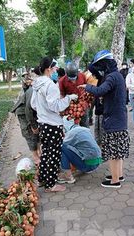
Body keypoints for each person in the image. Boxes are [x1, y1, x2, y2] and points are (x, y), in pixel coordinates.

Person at [78, 50, 129, 189]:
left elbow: (100, 90)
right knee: (118, 151)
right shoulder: (117, 75)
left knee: (113, 152)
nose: (99, 72)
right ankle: (118, 175)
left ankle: (114, 181)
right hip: (119, 118)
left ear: (105, 65)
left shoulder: (112, 77)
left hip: (113, 119)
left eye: (100, 67)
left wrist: (86, 87)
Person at [31, 57, 78, 192]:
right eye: (55, 67)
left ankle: (42, 179)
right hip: (52, 125)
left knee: (45, 153)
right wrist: (69, 98)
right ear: (48, 69)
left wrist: (43, 110)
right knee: (54, 155)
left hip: (43, 124)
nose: (57, 70)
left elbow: (34, 105)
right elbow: (55, 106)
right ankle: (51, 185)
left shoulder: (37, 84)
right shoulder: (50, 85)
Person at [58, 117, 102, 184]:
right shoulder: (84, 129)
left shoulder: (72, 133)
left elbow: (62, 145)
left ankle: (68, 176)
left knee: (61, 147)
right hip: (97, 162)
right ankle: (82, 168)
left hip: (88, 166)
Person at [11, 71, 40, 166]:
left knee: (37, 134)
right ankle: (36, 158)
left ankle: (39, 154)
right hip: (23, 112)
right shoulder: (32, 91)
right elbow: (28, 111)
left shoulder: (38, 88)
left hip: (31, 110)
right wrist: (33, 125)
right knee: (29, 133)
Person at [59, 61, 88, 127]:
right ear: (66, 74)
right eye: (71, 78)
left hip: (82, 104)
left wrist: (86, 102)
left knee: (84, 124)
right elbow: (62, 95)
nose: (73, 80)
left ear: (77, 73)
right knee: (71, 125)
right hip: (70, 106)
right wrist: (62, 108)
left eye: (74, 77)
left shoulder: (82, 76)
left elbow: (86, 88)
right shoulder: (62, 81)